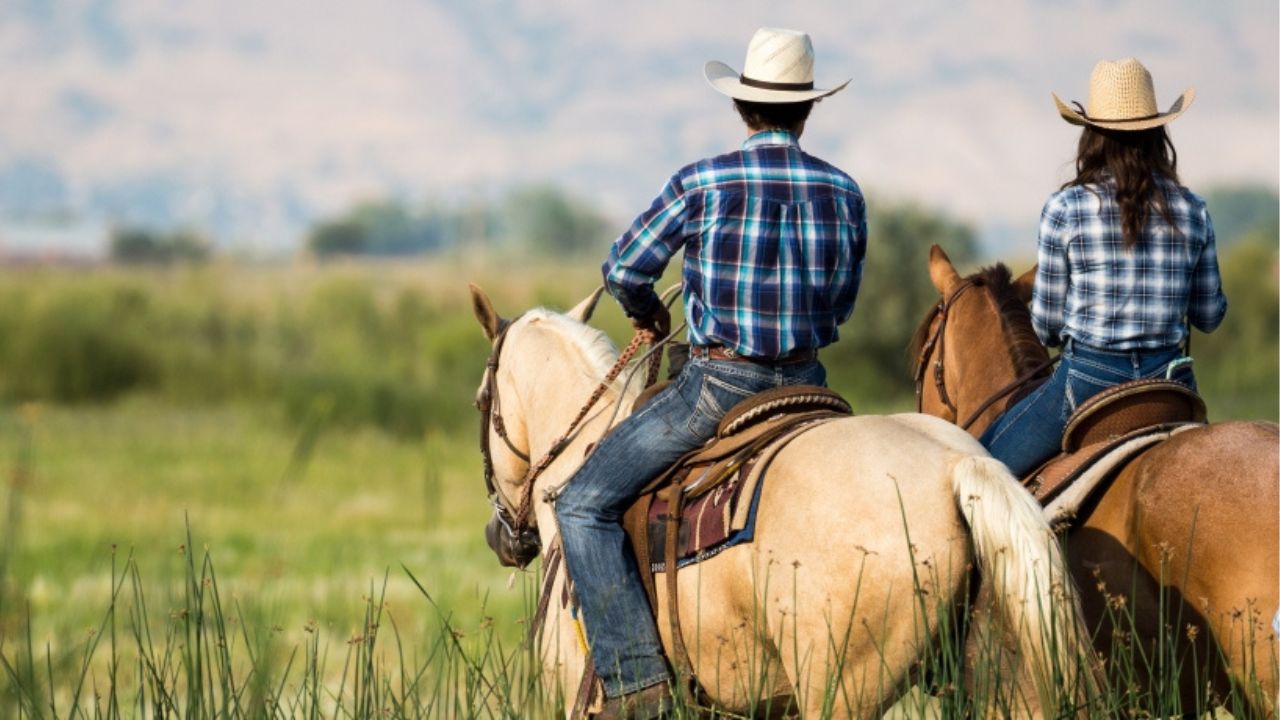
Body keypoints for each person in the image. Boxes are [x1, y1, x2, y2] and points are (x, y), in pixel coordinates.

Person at [553, 27, 867, 718]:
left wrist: (651, 317)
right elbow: (843, 300)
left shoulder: (703, 180)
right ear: (808, 109)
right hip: (812, 390)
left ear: (742, 108)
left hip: (719, 388)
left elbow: (625, 269)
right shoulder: (844, 191)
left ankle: (636, 685)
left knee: (581, 504)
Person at [980, 58, 1227, 478]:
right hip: (1170, 385)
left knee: (980, 468)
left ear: (1091, 135)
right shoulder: (1192, 209)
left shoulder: (1065, 208)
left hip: (1088, 380)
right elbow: (1209, 317)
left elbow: (1046, 325)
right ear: (1158, 131)